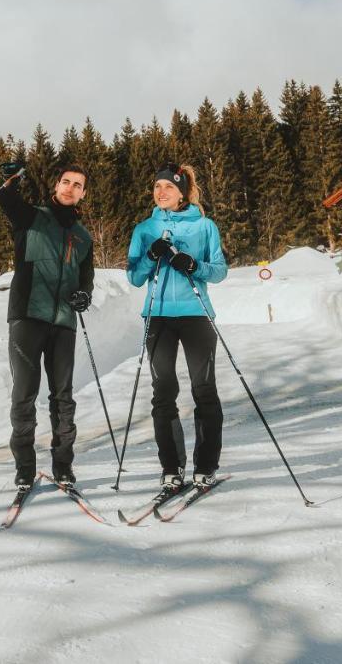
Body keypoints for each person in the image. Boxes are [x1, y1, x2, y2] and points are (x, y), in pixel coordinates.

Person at [126, 163, 229, 494]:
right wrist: (150, 256)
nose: (160, 192)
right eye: (156, 187)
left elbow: (219, 271)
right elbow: (134, 276)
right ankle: (171, 467)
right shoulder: (144, 229)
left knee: (204, 389)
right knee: (163, 392)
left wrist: (193, 265)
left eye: (168, 187)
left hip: (196, 314)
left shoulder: (204, 226)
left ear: (182, 191)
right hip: (157, 316)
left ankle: (206, 466)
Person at [0, 162, 94, 489]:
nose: (70, 188)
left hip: (63, 322)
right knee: (24, 393)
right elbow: (7, 200)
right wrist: (10, 180)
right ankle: (25, 467)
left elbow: (86, 280)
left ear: (83, 193)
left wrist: (83, 296)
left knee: (63, 397)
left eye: (77, 185)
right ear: (56, 185)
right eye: (66, 181)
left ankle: (63, 466)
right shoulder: (32, 217)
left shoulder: (83, 237)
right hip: (27, 316)